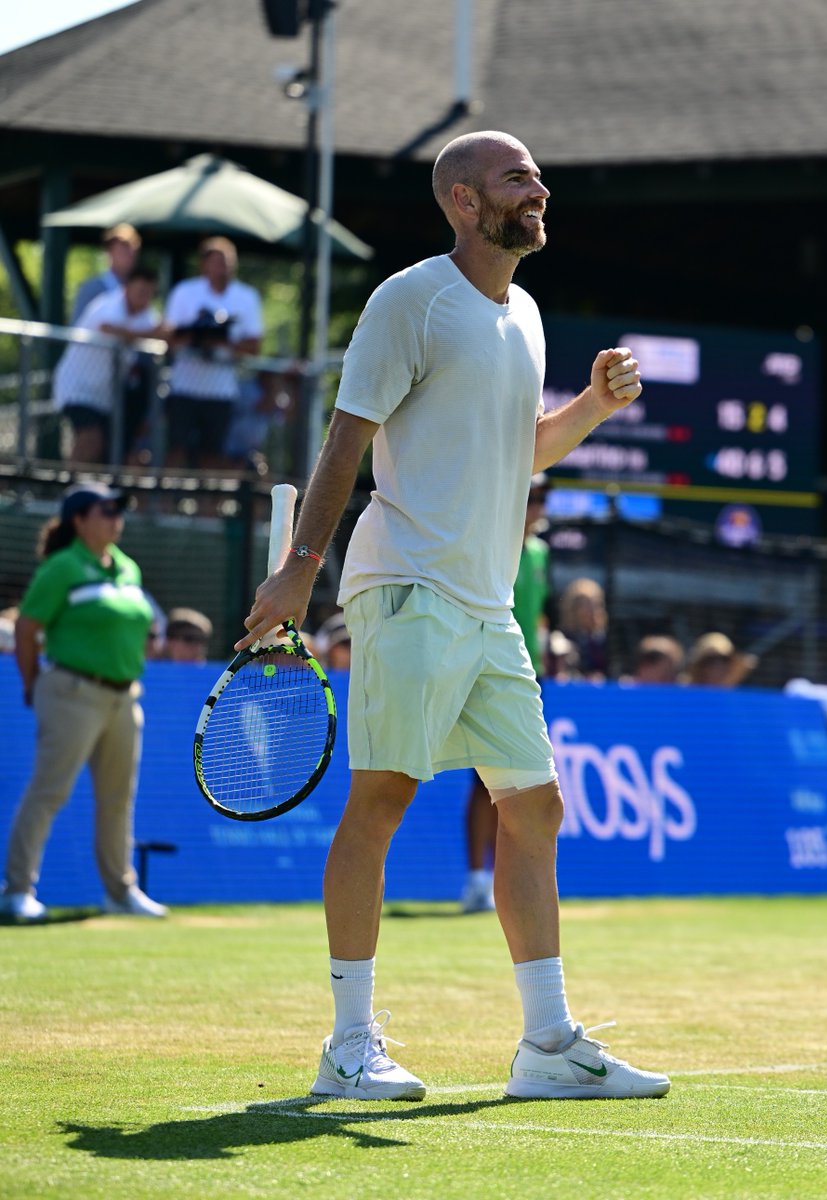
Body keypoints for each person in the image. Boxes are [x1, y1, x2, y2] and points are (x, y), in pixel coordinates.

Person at [239, 130, 669, 1101]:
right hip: (410, 589)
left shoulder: (524, 312)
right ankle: (350, 1047)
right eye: (518, 177)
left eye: (537, 174)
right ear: (465, 203)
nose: (540, 187)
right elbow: (347, 439)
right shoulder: (410, 298)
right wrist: (300, 570)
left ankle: (549, 1047)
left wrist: (591, 408)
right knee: (384, 798)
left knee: (536, 805)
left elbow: (517, 451)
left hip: (487, 604)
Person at [0, 483, 168, 921]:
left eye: (119, 510)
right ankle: (17, 891)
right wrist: (34, 682)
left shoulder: (128, 568)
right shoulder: (61, 567)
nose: (116, 518)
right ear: (79, 520)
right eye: (106, 510)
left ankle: (120, 892)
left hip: (125, 696)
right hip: (71, 692)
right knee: (48, 791)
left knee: (118, 799)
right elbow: (26, 629)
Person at [461, 473, 553, 913]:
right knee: (486, 785)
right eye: (532, 496)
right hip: (483, 670)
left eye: (542, 498)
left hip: (526, 675)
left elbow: (536, 616)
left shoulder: (539, 552)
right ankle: (478, 880)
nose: (537, 506)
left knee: (521, 787)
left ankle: (503, 883)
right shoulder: (491, 538)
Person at [164, 237, 264, 469]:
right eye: (217, 261)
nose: (223, 267)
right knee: (176, 450)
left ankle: (207, 505)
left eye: (228, 261)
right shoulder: (184, 292)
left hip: (221, 391)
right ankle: (166, 503)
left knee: (213, 454)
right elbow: (169, 336)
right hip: (183, 386)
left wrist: (221, 341)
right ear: (204, 264)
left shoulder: (246, 296)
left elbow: (254, 345)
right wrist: (198, 333)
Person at [53, 266, 164, 464]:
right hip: (77, 388)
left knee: (104, 450)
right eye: (140, 291)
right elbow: (110, 328)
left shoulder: (146, 315)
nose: (143, 297)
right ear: (127, 288)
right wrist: (150, 334)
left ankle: (90, 491)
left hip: (105, 396)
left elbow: (164, 331)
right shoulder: (108, 304)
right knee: (90, 439)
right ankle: (69, 492)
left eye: (148, 293)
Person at [70, 223, 141, 324]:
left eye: (133, 248)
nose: (129, 253)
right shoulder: (91, 288)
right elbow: (77, 331)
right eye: (123, 247)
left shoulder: (140, 291)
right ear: (109, 251)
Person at [554, 576, 609, 681]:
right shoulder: (560, 639)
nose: (591, 610)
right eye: (585, 604)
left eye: (596, 604)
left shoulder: (604, 641)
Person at [683, 631, 757, 687]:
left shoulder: (733, 699)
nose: (718, 666)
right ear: (701, 666)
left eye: (724, 660)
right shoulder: (684, 693)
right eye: (711, 661)